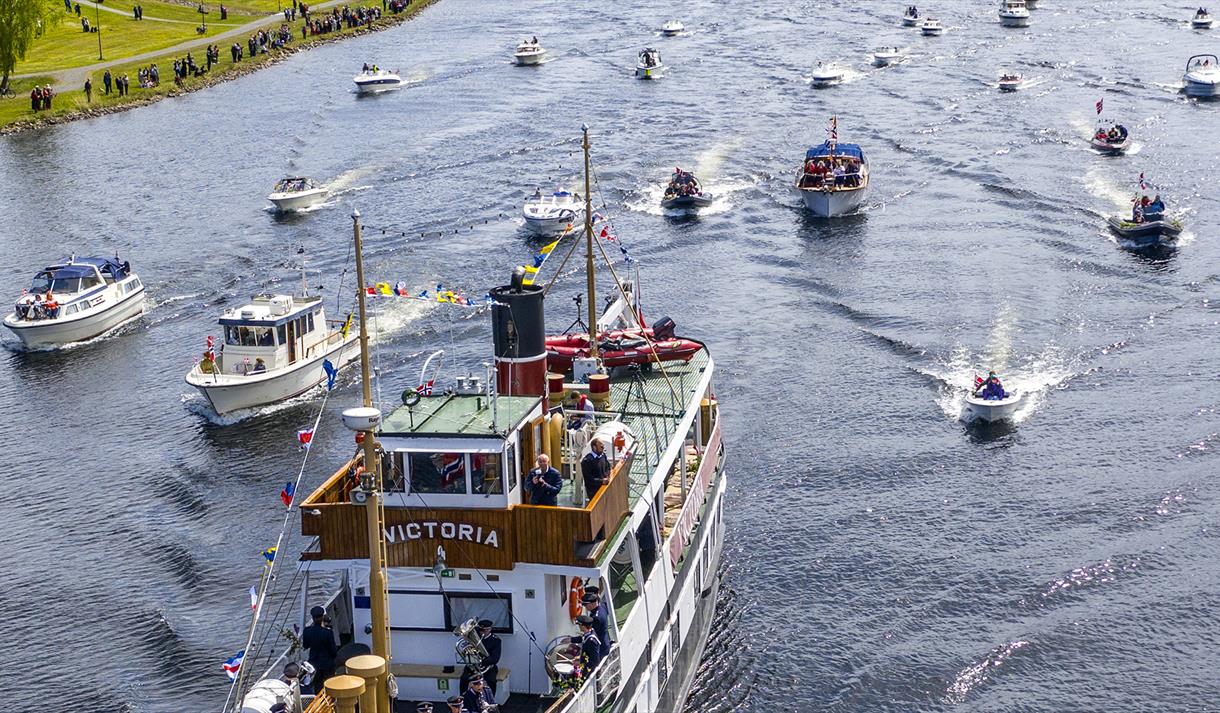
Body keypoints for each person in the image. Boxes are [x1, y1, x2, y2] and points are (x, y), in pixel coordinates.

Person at [301, 605, 337, 693]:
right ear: (322, 617)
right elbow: (333, 651)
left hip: (314, 663)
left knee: (317, 685)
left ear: (312, 618)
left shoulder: (307, 631)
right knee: (330, 684)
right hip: (327, 664)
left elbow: (305, 646)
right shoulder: (328, 632)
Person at [581, 592, 611, 659]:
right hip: (605, 640)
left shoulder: (596, 618)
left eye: (586, 605)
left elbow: (592, 635)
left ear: (593, 603)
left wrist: (573, 640)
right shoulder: (602, 606)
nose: (585, 607)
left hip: (601, 648)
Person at [476, 619, 502, 695]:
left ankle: (491, 701)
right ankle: (463, 701)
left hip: (488, 666)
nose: (483, 632)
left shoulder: (496, 640)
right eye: (482, 630)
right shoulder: (476, 637)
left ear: (490, 629)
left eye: (486, 630)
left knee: (491, 681)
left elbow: (495, 659)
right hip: (474, 665)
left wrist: (481, 661)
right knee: (464, 678)